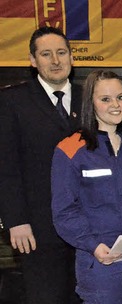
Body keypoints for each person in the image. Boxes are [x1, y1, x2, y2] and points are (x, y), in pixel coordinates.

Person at [50, 70, 122, 303]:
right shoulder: (70, 149)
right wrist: (93, 245)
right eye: (105, 99)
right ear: (90, 104)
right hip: (100, 261)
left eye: (120, 97)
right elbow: (64, 210)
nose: (115, 105)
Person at [0, 26, 81, 304]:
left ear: (72, 57)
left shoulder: (92, 99)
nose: (55, 61)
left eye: (61, 53)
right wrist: (16, 221)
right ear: (33, 61)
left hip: (89, 225)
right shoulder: (12, 101)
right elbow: (6, 166)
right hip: (37, 228)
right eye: (46, 54)